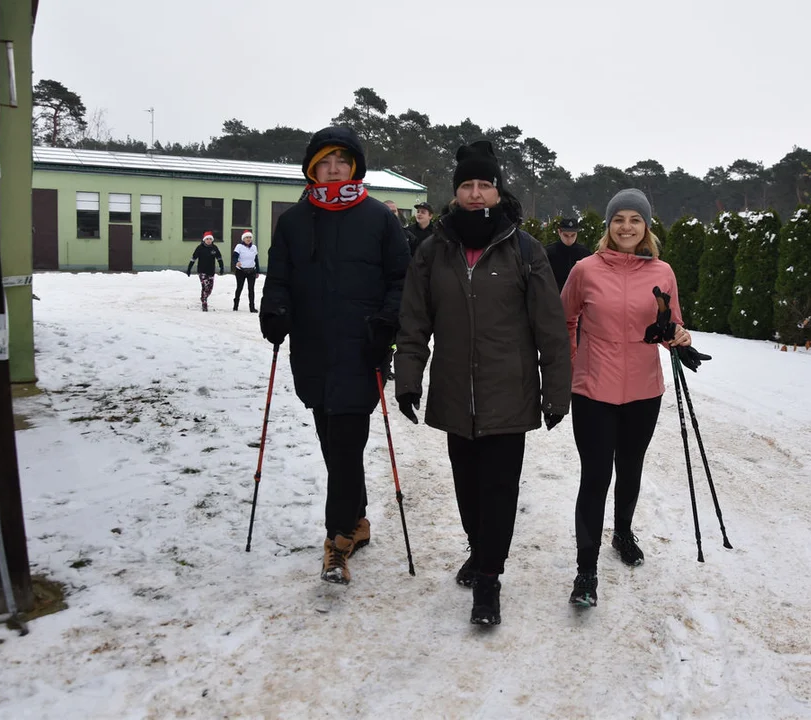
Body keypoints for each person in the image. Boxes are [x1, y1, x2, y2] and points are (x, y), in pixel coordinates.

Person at [394, 140, 571, 626]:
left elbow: (550, 327)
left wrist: (556, 392)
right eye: (467, 186)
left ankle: (490, 579)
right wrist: (408, 378)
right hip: (455, 393)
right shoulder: (434, 251)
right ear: (455, 193)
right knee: (467, 490)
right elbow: (414, 320)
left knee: (499, 490)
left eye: (484, 185)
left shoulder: (524, 249)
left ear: (497, 191)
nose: (476, 194)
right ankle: (479, 548)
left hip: (508, 395)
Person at [259, 126, 411, 585]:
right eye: (324, 162)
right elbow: (279, 276)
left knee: (344, 445)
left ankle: (337, 540)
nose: (333, 169)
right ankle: (358, 520)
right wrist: (275, 307)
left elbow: (401, 280)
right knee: (334, 445)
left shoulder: (379, 219)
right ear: (312, 168)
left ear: (355, 168)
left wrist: (387, 320)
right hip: (312, 349)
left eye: (341, 162)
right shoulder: (293, 221)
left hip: (361, 349)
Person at [560, 188, 706, 609]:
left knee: (630, 467)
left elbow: (670, 323)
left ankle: (622, 532)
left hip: (644, 391)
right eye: (619, 219)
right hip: (593, 390)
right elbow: (565, 318)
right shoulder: (585, 270)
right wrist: (575, 360)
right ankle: (585, 570)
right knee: (595, 477)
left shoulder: (663, 271)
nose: (626, 226)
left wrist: (679, 336)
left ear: (646, 227)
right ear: (608, 226)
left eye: (635, 219)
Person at [545, 216, 591, 292]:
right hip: (555, 298)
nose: (569, 239)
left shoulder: (585, 254)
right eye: (566, 235)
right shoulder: (548, 253)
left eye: (573, 235)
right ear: (559, 232)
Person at [187, 232, 224, 311]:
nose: (209, 240)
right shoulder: (200, 248)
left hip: (211, 271)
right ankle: (204, 302)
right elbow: (193, 258)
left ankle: (203, 297)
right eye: (207, 239)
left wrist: (222, 267)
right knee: (205, 286)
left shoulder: (214, 248)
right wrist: (189, 268)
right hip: (202, 271)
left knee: (210, 288)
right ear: (204, 240)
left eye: (210, 239)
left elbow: (219, 258)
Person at [232, 230, 260, 312]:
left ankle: (252, 307)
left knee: (251, 289)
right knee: (239, 288)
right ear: (243, 239)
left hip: (252, 271)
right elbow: (234, 257)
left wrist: (258, 271)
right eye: (247, 237)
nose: (248, 239)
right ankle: (235, 305)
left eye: (250, 237)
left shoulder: (254, 247)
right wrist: (236, 262)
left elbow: (256, 259)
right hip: (241, 271)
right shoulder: (239, 246)